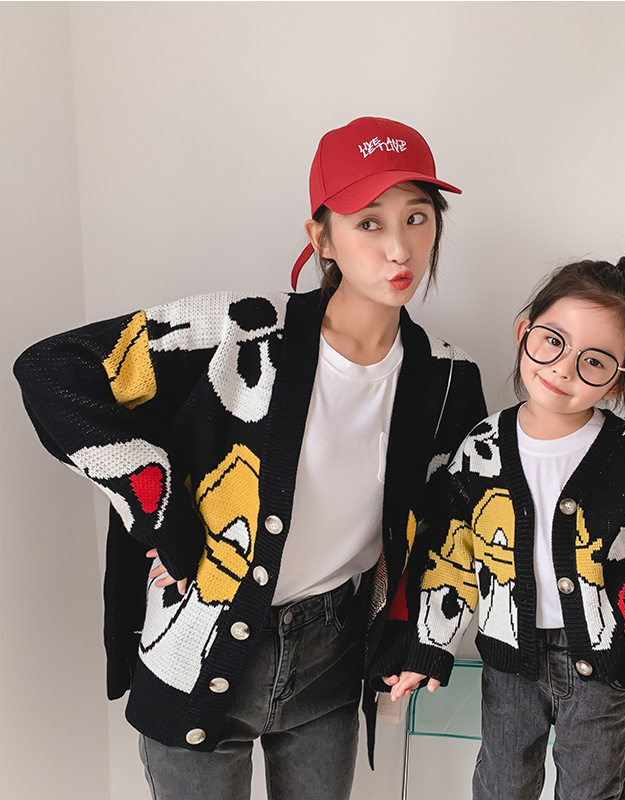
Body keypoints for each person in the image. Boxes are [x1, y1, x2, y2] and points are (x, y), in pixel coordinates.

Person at [13, 116, 487, 800]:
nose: (398, 247)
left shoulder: (447, 378)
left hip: (332, 657)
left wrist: (426, 637)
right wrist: (163, 511)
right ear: (321, 237)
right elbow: (53, 372)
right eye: (369, 223)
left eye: (417, 217)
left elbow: (456, 522)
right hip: (197, 645)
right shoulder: (239, 332)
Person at [389, 240, 625, 800]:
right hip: (510, 662)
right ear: (523, 331)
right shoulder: (482, 450)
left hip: (603, 667)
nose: (563, 368)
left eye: (594, 361)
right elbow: (452, 552)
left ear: (622, 381)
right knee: (502, 785)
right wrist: (430, 646)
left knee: (591, 790)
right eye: (553, 341)